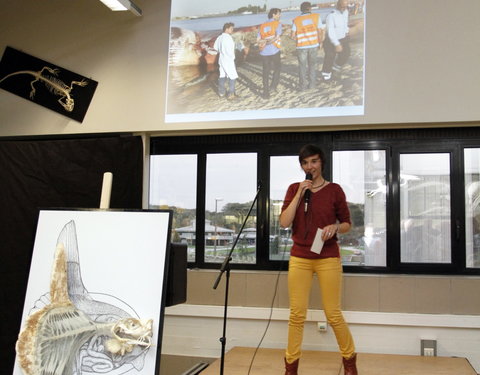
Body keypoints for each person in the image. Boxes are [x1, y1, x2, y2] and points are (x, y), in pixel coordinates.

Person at [280, 144, 358, 375]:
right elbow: (284, 222)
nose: (309, 166)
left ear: (321, 163)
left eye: (313, 161)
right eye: (305, 163)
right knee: (297, 314)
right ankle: (291, 367)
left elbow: (346, 224)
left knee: (333, 313)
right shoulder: (295, 188)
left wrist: (335, 227)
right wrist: (299, 195)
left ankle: (350, 362)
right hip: (300, 257)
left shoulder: (334, 190)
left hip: (327, 257)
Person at [291, 2, 325, 91]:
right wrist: (320, 42)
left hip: (301, 46)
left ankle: (303, 87)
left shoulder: (296, 20)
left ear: (301, 9)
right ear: (310, 8)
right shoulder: (316, 17)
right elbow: (320, 31)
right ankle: (312, 85)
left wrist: (298, 40)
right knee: (312, 66)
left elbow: (292, 35)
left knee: (302, 67)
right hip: (313, 44)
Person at [321, 0, 351, 82]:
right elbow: (331, 31)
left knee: (346, 54)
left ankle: (335, 69)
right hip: (331, 40)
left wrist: (347, 31)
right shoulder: (331, 16)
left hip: (343, 38)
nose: (344, 8)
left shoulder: (346, 12)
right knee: (329, 58)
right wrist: (336, 44)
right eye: (342, 6)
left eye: (346, 6)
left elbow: (345, 23)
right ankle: (326, 76)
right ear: (337, 5)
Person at [257, 8, 282, 99]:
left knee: (265, 72)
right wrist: (269, 42)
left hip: (264, 52)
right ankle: (273, 86)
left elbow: (258, 40)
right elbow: (277, 37)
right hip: (274, 50)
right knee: (277, 68)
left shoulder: (262, 25)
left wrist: (265, 42)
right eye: (278, 14)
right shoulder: (277, 24)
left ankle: (266, 92)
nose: (280, 16)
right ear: (273, 15)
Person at [214, 22, 239, 99]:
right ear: (227, 29)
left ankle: (221, 93)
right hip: (228, 60)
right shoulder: (228, 37)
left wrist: (221, 51)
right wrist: (233, 57)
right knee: (232, 76)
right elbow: (230, 50)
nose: (232, 30)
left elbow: (215, 47)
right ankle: (231, 94)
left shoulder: (220, 37)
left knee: (222, 75)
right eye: (231, 29)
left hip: (221, 59)